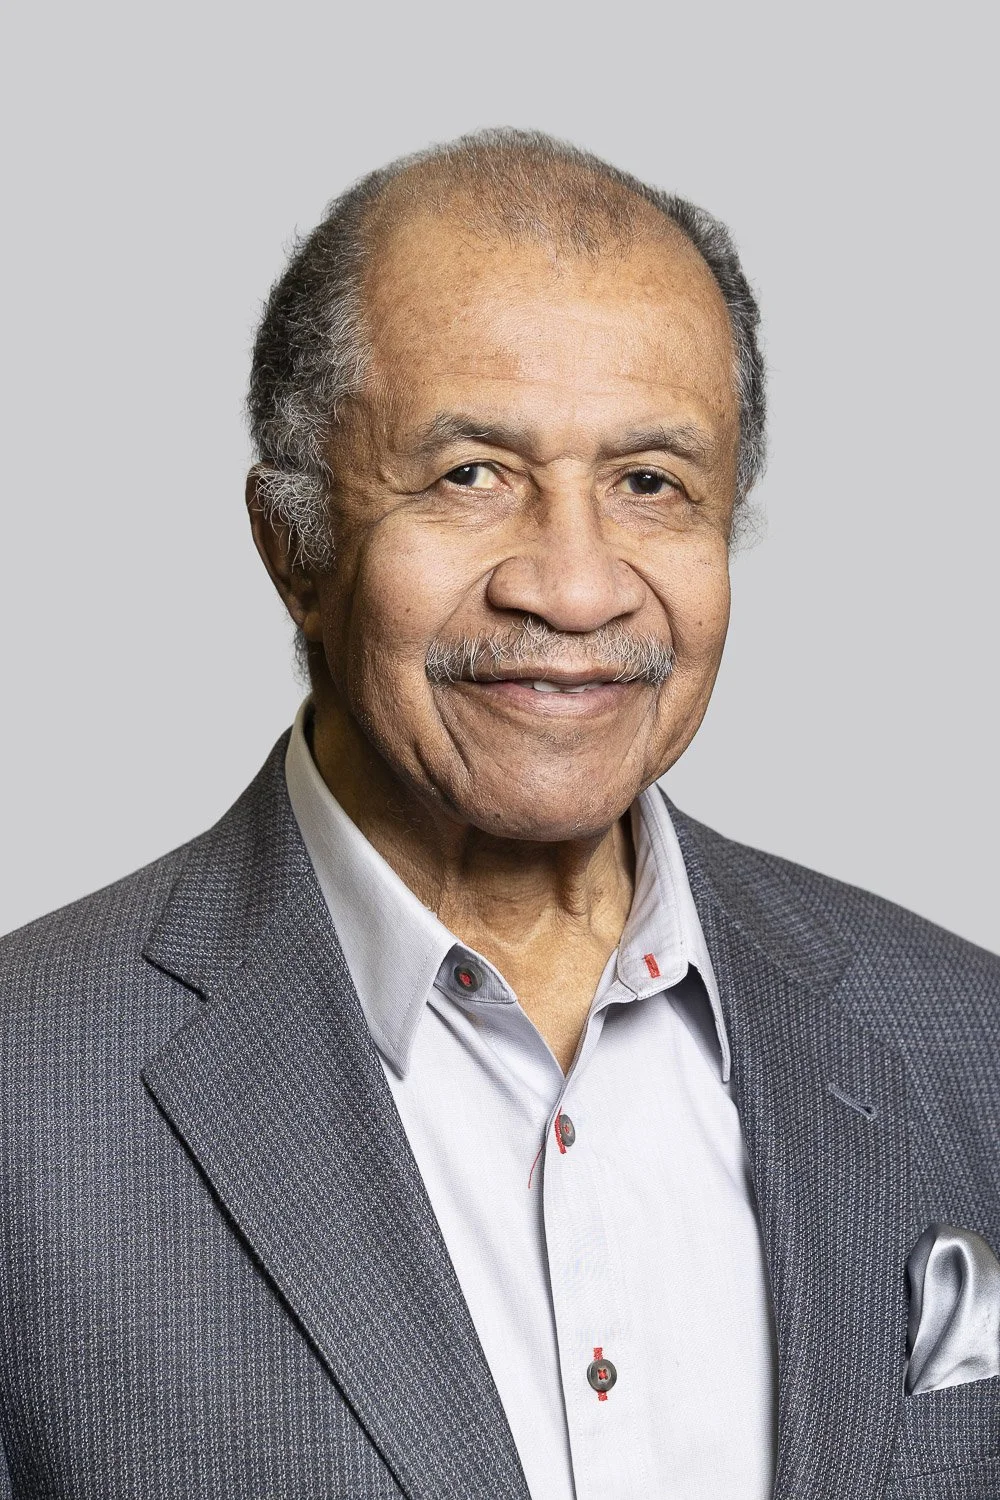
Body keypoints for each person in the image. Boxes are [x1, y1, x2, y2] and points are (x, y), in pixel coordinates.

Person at [1, 128, 997, 1500]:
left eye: (651, 482)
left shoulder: (969, 1040)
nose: (576, 590)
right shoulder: (28, 1093)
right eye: (472, 475)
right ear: (293, 545)